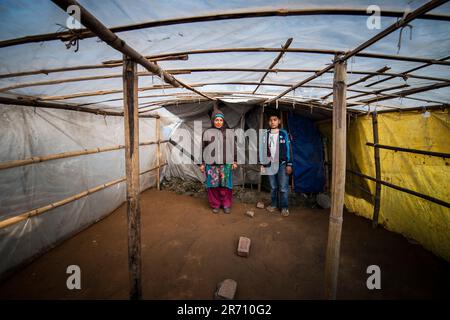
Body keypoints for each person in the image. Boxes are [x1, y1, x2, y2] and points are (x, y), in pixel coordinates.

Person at [199, 108, 237, 214]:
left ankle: (226, 204)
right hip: (211, 164)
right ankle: (215, 204)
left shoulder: (229, 133)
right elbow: (203, 148)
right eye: (216, 120)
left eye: (220, 120)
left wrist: (235, 161)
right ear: (213, 121)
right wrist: (202, 163)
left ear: (223, 121)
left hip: (226, 163)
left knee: (225, 185)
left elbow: (233, 147)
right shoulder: (206, 133)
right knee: (213, 186)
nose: (219, 122)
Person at [260, 112, 293, 217]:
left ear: (279, 121)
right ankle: (274, 204)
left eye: (275, 119)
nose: (272, 122)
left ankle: (284, 207)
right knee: (273, 187)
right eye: (270, 120)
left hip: (282, 164)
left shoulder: (284, 134)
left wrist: (289, 164)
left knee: (283, 187)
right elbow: (262, 150)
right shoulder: (265, 135)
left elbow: (289, 150)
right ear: (268, 122)